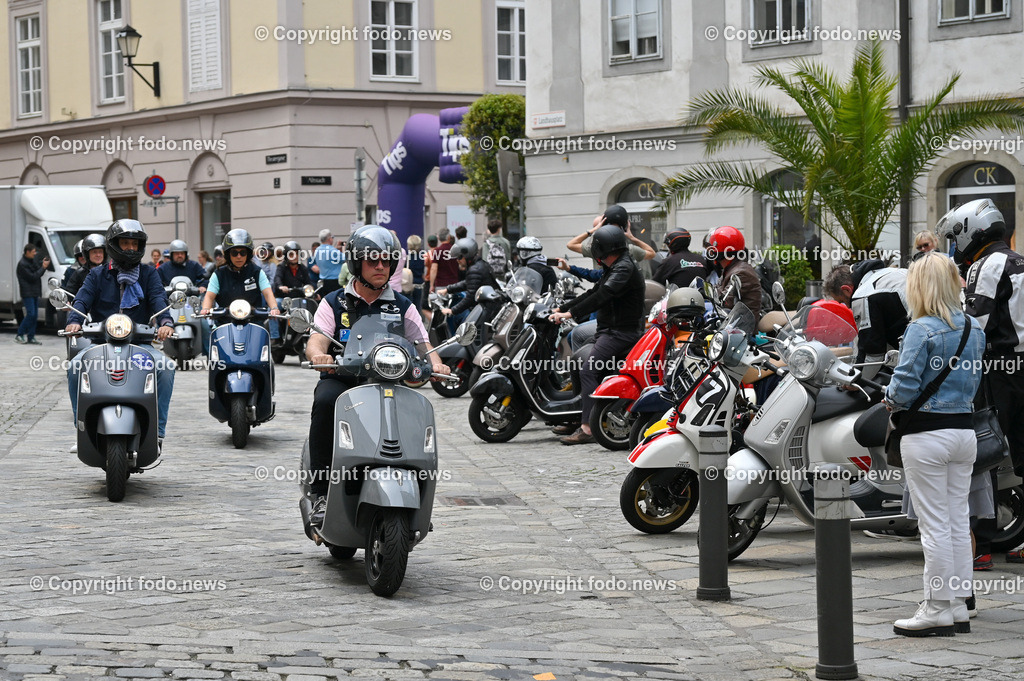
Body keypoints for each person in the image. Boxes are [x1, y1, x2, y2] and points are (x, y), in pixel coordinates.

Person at [305, 226, 450, 526]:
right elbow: (316, 339)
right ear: (357, 264)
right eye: (372, 261)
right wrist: (319, 356)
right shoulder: (334, 302)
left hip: (389, 381)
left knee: (415, 412)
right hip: (343, 379)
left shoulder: (402, 305)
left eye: (386, 260)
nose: (381, 266)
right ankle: (320, 492)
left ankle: (416, 491)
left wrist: (436, 363)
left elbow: (423, 343)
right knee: (325, 401)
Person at [885, 252, 985, 637]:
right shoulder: (974, 328)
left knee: (934, 525)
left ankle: (936, 607)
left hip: (926, 435)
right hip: (964, 433)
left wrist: (889, 399)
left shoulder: (921, 329)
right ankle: (959, 604)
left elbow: (905, 387)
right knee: (958, 520)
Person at [937, 198, 1024, 565]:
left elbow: (974, 325)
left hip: (1000, 370)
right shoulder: (1018, 260)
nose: (956, 248)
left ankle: (983, 545)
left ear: (971, 230)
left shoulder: (987, 265)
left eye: (956, 240)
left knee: (983, 452)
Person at [65, 220, 175, 449]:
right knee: (75, 367)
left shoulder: (147, 273)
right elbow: (82, 299)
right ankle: (81, 428)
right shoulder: (97, 275)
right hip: (100, 343)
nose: (130, 249)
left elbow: (158, 298)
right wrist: (74, 321)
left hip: (139, 345)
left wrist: (165, 321)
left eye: (134, 244)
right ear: (113, 245)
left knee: (165, 368)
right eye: (125, 243)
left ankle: (158, 432)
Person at [549, 225, 646, 445]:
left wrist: (570, 313)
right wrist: (563, 308)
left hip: (621, 333)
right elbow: (594, 291)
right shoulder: (615, 266)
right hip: (609, 330)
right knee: (576, 362)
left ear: (602, 249)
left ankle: (588, 429)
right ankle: (577, 417)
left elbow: (604, 295)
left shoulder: (624, 269)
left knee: (588, 369)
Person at [825, 259, 909, 382]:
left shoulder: (864, 293)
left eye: (843, 301)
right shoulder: (892, 272)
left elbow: (873, 352)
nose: (848, 307)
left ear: (846, 290)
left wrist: (855, 381)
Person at [200, 229, 281, 347]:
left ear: (248, 254)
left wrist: (274, 308)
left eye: (243, 252)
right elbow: (209, 296)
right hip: (225, 324)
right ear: (228, 254)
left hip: (254, 323)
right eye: (234, 253)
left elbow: (268, 293)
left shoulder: (257, 272)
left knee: (266, 360)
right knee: (216, 357)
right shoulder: (219, 273)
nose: (239, 256)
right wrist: (206, 309)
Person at [567, 205, 655, 266]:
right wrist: (632, 238)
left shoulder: (595, 249)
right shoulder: (630, 250)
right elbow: (651, 253)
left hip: (603, 291)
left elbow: (571, 245)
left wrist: (592, 231)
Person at [705, 225, 762, 321]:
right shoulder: (731, 268)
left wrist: (705, 293)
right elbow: (717, 292)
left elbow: (724, 302)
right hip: (731, 324)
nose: (710, 253)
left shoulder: (741, 273)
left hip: (743, 329)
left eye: (712, 249)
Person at [440, 238, 496, 333]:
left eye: (459, 257)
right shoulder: (480, 264)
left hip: (485, 310)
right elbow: (468, 282)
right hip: (489, 307)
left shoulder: (474, 269)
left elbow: (470, 296)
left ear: (467, 255)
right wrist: (448, 289)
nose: (457, 260)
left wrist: (452, 310)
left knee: (459, 320)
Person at [272, 241, 313, 342]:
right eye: (291, 254)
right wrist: (281, 286)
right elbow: (277, 279)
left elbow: (309, 282)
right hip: (284, 299)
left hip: (298, 299)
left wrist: (312, 290)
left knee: (313, 306)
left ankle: (312, 334)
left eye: (296, 253)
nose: (294, 256)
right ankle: (275, 337)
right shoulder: (281, 267)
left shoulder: (303, 268)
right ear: (286, 255)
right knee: (273, 308)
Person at [15, 244, 50, 345]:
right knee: (31, 314)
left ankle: (31, 336)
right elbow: (33, 277)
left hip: (34, 292)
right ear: (27, 252)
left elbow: (37, 271)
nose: (35, 254)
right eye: (33, 252)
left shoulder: (31, 261)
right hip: (27, 292)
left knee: (34, 316)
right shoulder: (22, 264)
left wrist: (42, 265)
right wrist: (43, 268)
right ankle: (19, 334)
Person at [311, 229, 344, 296]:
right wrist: (343, 248)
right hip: (334, 282)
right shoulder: (332, 251)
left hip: (323, 281)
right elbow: (345, 258)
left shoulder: (317, 250)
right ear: (329, 239)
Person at [407, 235, 425, 313]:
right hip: (419, 284)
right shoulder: (423, 256)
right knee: (418, 308)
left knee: (408, 309)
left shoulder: (407, 257)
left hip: (408, 285)